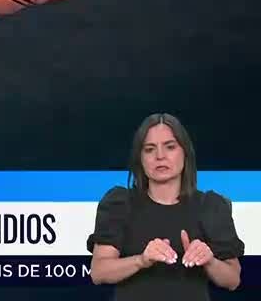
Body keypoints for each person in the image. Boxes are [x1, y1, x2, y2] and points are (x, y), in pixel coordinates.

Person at [87, 113, 244, 299]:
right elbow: (99, 272)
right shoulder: (119, 204)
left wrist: (209, 261)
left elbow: (232, 279)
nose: (160, 156)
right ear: (140, 158)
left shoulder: (210, 206)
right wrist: (141, 260)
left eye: (170, 147)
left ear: (185, 152)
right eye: (149, 149)